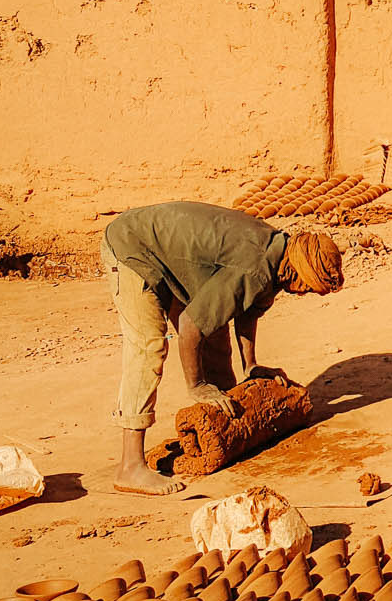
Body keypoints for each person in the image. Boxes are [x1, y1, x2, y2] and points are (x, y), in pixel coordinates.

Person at [100, 200, 343, 495]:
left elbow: (246, 308)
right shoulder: (256, 267)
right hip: (135, 247)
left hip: (173, 257)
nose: (303, 294)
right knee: (149, 347)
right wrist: (198, 385)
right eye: (307, 288)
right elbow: (191, 324)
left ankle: (210, 433)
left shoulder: (279, 254)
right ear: (297, 275)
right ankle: (130, 466)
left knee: (214, 339)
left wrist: (250, 365)